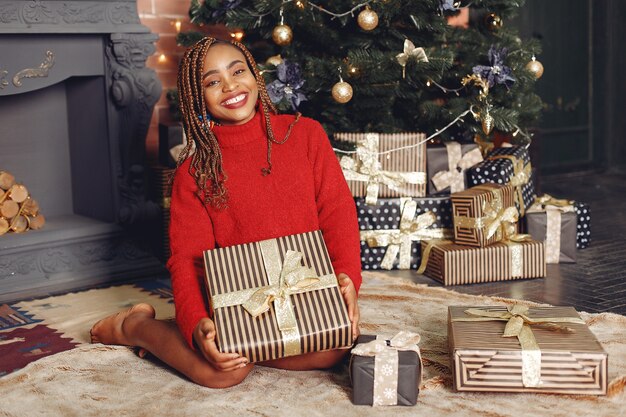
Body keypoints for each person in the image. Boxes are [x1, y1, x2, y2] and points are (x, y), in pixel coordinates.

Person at [90, 37, 362, 389]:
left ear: (255, 75)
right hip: (235, 298)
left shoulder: (305, 134)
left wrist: (346, 280)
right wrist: (197, 324)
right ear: (196, 98)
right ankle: (138, 326)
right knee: (224, 373)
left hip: (302, 288)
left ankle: (224, 344)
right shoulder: (193, 171)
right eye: (213, 82)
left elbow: (338, 215)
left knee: (334, 348)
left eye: (238, 71)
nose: (230, 86)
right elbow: (186, 259)